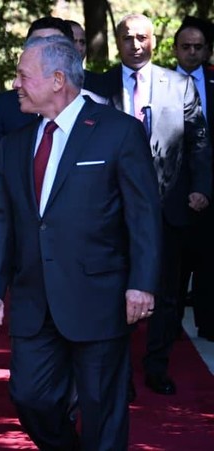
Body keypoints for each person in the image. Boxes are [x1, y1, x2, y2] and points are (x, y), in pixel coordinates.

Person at [0, 34, 162, 450]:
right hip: (34, 298)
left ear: (57, 79)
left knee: (102, 407)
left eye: (23, 76)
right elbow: (0, 221)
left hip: (99, 295)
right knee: (30, 397)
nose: (15, 84)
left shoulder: (118, 132)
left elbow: (143, 215)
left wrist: (142, 283)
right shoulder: (13, 145)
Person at [86, 13, 212, 397]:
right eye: (128, 37)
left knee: (167, 295)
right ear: (118, 41)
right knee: (114, 295)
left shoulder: (179, 86)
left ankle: (157, 367)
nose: (135, 44)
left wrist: (202, 188)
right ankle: (120, 374)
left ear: (154, 41)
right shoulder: (97, 86)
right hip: (111, 211)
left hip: (168, 209)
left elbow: (199, 143)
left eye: (142, 37)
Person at [0, 17, 103, 245]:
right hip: (19, 241)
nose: (42, 51)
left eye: (51, 45)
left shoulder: (103, 110)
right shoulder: (7, 109)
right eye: (35, 44)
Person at [173, 16, 214, 342]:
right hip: (174, 192)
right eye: (185, 46)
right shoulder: (159, 84)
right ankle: (169, 324)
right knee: (175, 265)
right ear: (174, 49)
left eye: (198, 47)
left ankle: (209, 323)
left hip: (212, 190)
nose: (192, 52)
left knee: (210, 262)